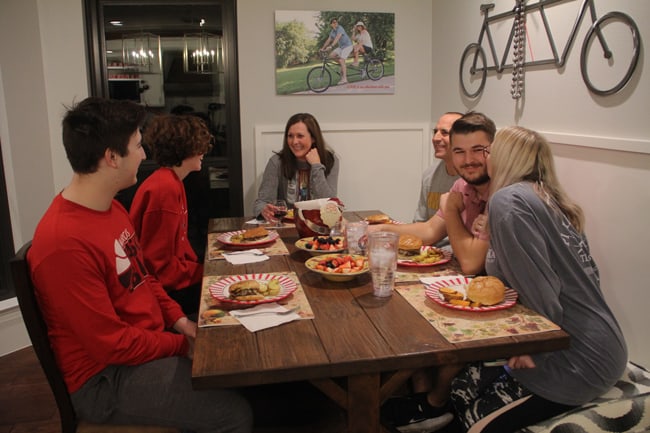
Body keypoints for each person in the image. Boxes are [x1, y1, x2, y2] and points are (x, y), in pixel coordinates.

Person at [28, 97, 252, 433]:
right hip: (106, 379)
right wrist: (182, 345)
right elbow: (110, 344)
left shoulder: (112, 209)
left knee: (242, 339)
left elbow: (145, 278)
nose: (145, 155)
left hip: (147, 342)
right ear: (112, 157)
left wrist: (180, 322)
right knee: (233, 415)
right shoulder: (63, 244)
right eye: (137, 146)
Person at [383, 126, 628, 433]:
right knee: (458, 391)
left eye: (490, 151)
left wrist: (530, 345)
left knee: (473, 423)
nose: (486, 159)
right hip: (603, 340)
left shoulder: (509, 201)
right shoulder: (547, 196)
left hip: (577, 357)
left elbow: (541, 287)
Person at [370, 111, 495, 275]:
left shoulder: (501, 191)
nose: (468, 160)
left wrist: (450, 209)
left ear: (494, 148)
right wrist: (381, 230)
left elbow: (471, 265)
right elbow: (430, 230)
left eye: (477, 150)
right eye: (459, 151)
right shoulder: (461, 185)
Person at [129, 114, 212, 315]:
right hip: (165, 293)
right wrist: (207, 272)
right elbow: (159, 267)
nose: (204, 152)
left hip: (175, 281)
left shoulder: (172, 181)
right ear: (185, 149)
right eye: (199, 146)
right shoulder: (163, 189)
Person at [253, 112, 339, 222]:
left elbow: (329, 202)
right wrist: (264, 210)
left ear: (313, 138)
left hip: (319, 224)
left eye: (300, 136)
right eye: (290, 136)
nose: (294, 142)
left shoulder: (330, 160)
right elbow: (261, 203)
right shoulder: (276, 162)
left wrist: (316, 166)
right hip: (287, 225)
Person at [413, 112, 463, 223]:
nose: (435, 138)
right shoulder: (429, 175)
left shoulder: (470, 180)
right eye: (435, 132)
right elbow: (419, 221)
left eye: (444, 133)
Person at [321, 17, 353, 85]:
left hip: (348, 46)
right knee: (331, 56)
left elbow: (338, 37)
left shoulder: (340, 28)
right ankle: (343, 65)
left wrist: (331, 46)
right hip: (341, 47)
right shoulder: (332, 32)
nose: (336, 23)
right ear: (331, 24)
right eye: (334, 22)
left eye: (336, 22)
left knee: (341, 60)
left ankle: (344, 79)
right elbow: (328, 40)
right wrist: (323, 48)